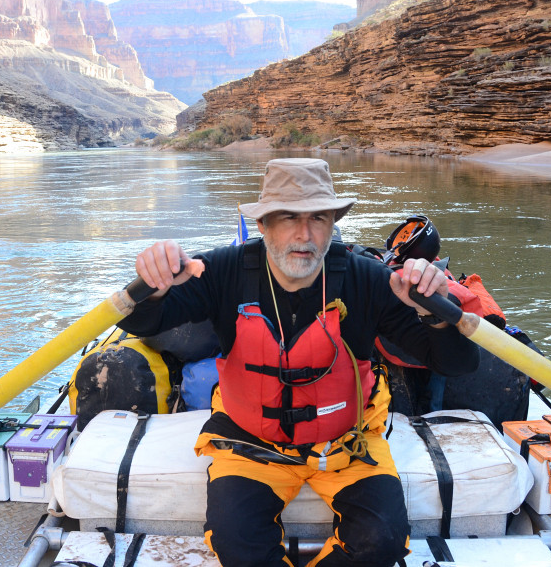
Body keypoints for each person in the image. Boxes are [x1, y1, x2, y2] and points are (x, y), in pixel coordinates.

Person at [118, 158, 480, 567]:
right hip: (249, 443)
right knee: (240, 547)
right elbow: (141, 319)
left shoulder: (370, 280)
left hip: (349, 444)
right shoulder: (221, 271)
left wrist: (432, 310)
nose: (304, 234)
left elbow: (459, 362)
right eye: (288, 217)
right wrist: (152, 285)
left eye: (319, 218)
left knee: (381, 544)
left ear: (332, 224)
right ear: (263, 225)